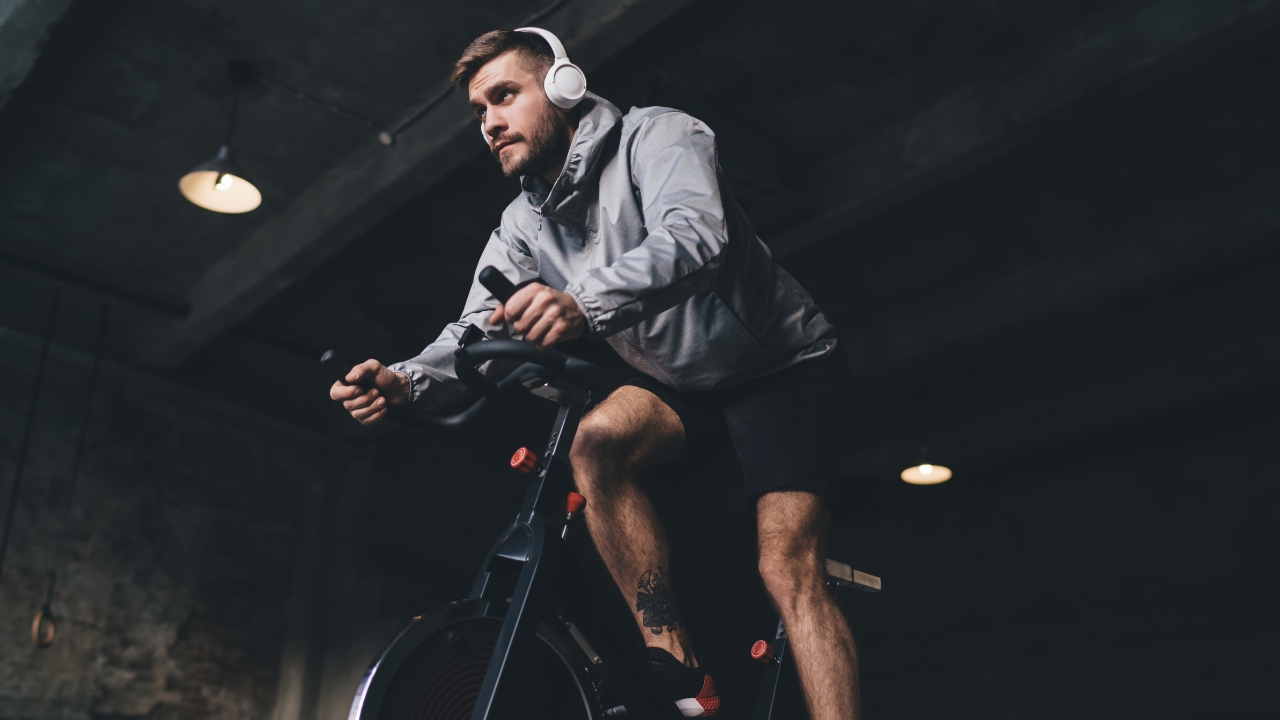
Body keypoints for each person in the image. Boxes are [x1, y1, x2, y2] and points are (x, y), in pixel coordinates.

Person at [329, 27, 860, 719]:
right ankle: (675, 663)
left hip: (779, 367)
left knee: (787, 572)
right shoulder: (522, 223)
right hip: (679, 379)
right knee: (595, 442)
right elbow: (476, 328)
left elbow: (693, 238)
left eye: (504, 96)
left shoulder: (659, 135)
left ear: (563, 85)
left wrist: (580, 302)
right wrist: (404, 381)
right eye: (479, 111)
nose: (489, 122)